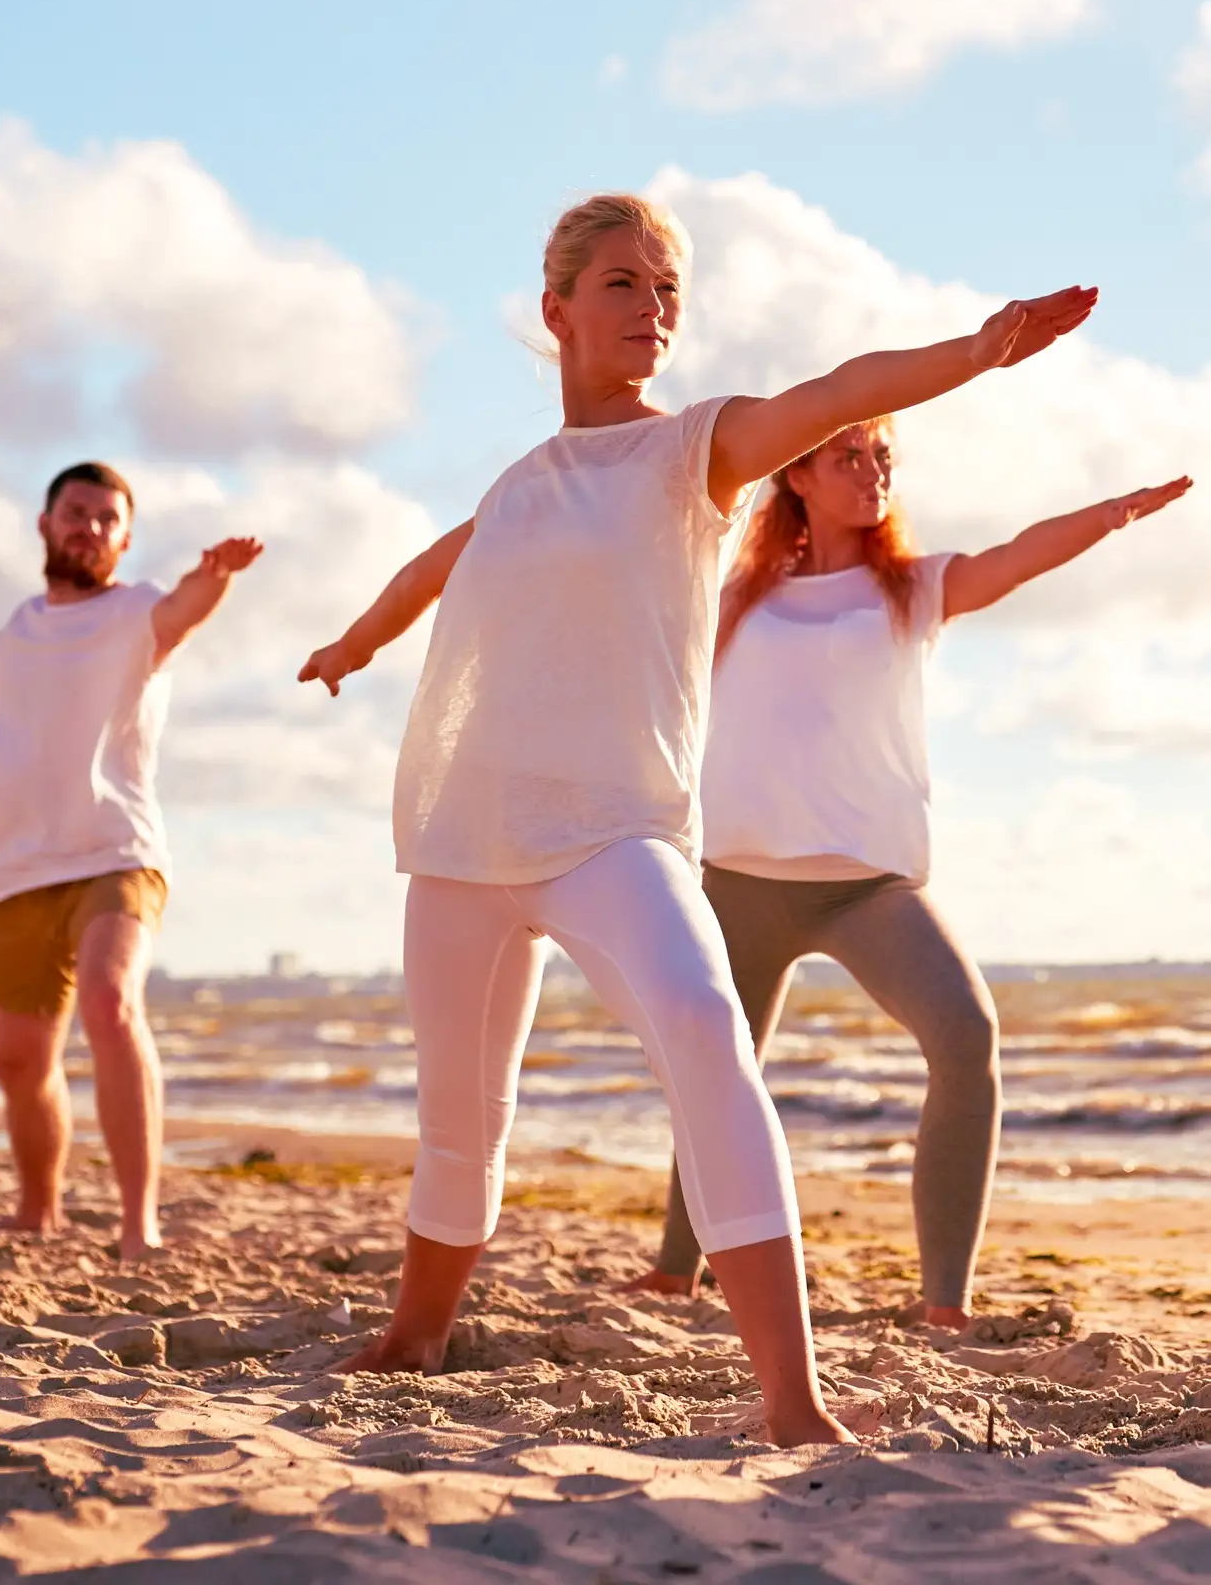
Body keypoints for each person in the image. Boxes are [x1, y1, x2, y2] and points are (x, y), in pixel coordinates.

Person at [299, 191, 1097, 1447]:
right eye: (624, 282)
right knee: (460, 1113)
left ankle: (793, 1397)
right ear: (557, 306)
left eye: (667, 288)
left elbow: (835, 391)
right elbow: (430, 569)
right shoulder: (520, 484)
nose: (653, 306)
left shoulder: (694, 453)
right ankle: (417, 1330)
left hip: (615, 826)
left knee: (705, 1025)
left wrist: (975, 350)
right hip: (464, 834)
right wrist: (350, 642)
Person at [627, 418, 1190, 1326]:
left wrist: (1115, 512)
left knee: (966, 1036)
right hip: (738, 877)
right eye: (849, 454)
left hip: (868, 884)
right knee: (716, 1069)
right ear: (799, 475)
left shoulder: (913, 590)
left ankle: (944, 1304)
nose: (872, 469)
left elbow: (1016, 556)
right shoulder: (732, 596)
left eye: (883, 456)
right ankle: (673, 1271)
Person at [0, 462, 260, 1257]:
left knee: (109, 1003)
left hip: (115, 853)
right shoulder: (17, 632)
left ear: (124, 539)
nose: (90, 528)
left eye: (107, 519)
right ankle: (38, 1210)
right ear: (46, 521)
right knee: (19, 1058)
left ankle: (140, 1223)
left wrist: (217, 576)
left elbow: (183, 613)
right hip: (20, 867)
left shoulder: (137, 615)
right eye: (77, 512)